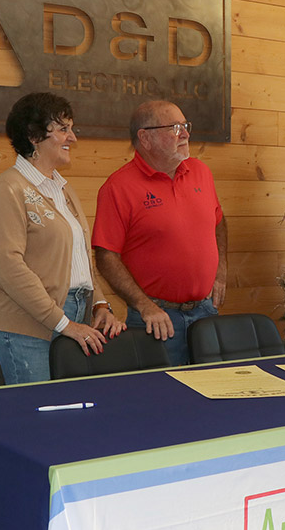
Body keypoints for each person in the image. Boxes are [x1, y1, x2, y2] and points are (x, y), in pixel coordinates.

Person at [0, 92, 124, 384]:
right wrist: (63, 323)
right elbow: (8, 266)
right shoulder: (8, 189)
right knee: (36, 422)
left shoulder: (63, 190)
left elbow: (80, 261)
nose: (72, 138)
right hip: (27, 326)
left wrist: (100, 305)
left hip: (75, 319)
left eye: (71, 129)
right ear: (34, 136)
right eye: (63, 129)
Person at [92, 100, 227, 365]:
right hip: (156, 320)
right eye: (175, 128)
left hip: (206, 311)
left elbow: (219, 221)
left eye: (185, 126)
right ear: (146, 137)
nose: (185, 134)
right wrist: (144, 306)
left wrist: (220, 270)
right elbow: (106, 257)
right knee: (166, 400)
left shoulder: (201, 172)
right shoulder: (118, 187)